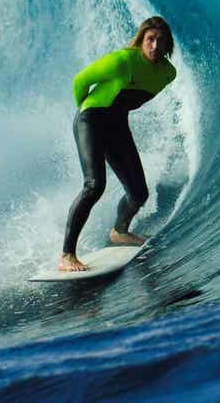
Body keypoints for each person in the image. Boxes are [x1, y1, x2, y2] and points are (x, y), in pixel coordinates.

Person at [59, 16, 177, 272]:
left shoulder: (168, 73)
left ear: (168, 44)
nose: (155, 46)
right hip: (91, 119)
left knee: (138, 193)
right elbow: (80, 80)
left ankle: (119, 232)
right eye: (150, 40)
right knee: (94, 186)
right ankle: (67, 254)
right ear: (141, 40)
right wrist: (84, 111)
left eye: (160, 41)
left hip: (116, 124)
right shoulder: (123, 60)